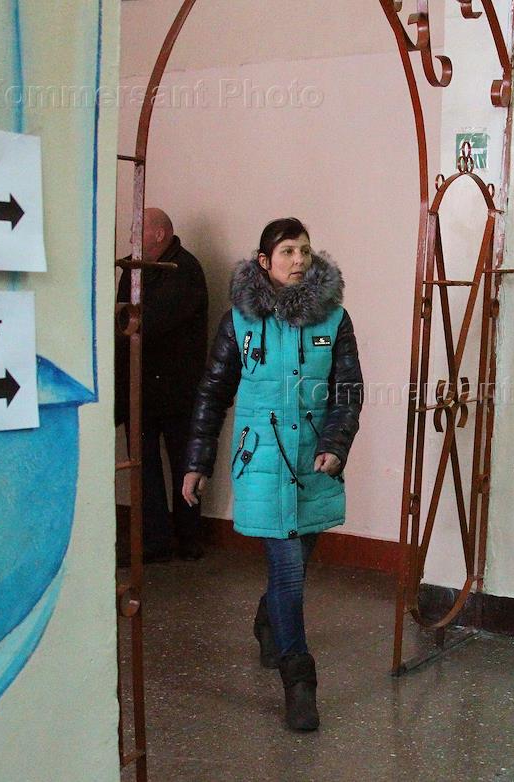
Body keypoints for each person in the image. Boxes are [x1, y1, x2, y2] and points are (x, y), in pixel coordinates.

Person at [182, 218, 362, 732]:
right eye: (287, 251)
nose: (299, 259)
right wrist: (197, 462)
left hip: (315, 463)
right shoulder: (239, 321)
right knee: (286, 570)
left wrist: (335, 445)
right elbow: (213, 393)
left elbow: (348, 391)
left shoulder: (334, 319)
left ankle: (268, 619)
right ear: (264, 262)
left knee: (298, 563)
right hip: (260, 461)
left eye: (304, 250)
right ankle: (299, 680)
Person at [115, 208, 208, 563]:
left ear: (158, 234)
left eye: (137, 231)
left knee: (186, 464)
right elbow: (125, 322)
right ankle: (154, 540)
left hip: (178, 390)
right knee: (144, 469)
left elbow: (146, 322)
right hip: (140, 388)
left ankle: (189, 538)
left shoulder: (185, 270)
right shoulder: (133, 269)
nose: (131, 238)